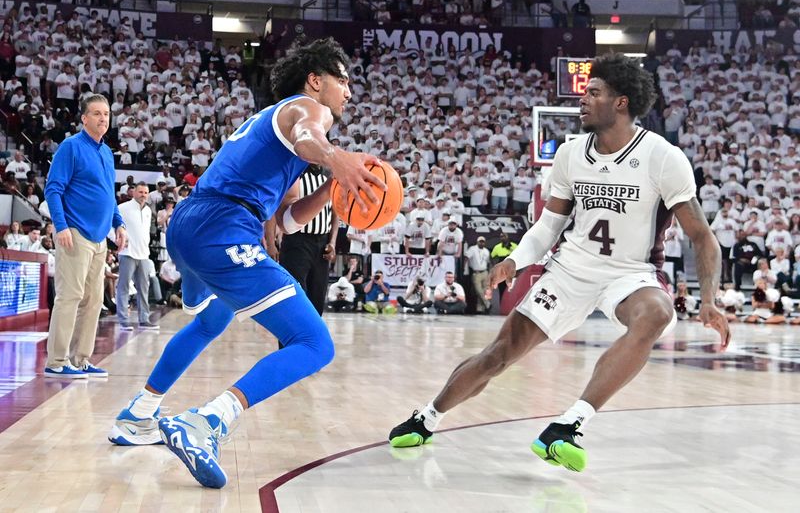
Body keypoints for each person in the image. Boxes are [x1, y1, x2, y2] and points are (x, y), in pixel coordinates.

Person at [388, 54, 730, 474]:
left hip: (630, 273)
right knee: (499, 354)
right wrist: (514, 260)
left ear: (621, 103)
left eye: (594, 92)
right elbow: (548, 227)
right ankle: (428, 417)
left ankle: (568, 426)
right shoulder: (571, 153)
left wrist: (709, 299)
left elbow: (702, 236)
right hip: (570, 269)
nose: (582, 100)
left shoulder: (662, 157)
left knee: (657, 314)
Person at [108, 39, 385, 490]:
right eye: (343, 80)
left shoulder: (277, 132)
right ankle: (205, 422)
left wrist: (332, 184)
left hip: (190, 226)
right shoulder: (306, 110)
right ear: (315, 81)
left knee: (209, 322)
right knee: (315, 344)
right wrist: (337, 157)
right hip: (223, 228)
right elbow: (311, 137)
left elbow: (291, 221)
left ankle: (138, 413)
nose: (349, 91)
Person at [44, 94, 128, 379]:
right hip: (75, 232)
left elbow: (109, 195)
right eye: (96, 113)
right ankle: (56, 361)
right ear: (84, 118)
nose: (103, 118)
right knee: (70, 296)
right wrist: (61, 225)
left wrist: (119, 224)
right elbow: (53, 189)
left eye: (106, 113)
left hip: (100, 237)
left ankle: (80, 359)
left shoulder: (106, 152)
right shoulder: (71, 147)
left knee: (93, 299)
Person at [270, 164, 339, 314]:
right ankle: (289, 338)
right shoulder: (294, 173)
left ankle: (312, 337)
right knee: (294, 298)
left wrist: (332, 242)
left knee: (317, 299)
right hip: (296, 242)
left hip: (322, 245)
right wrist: (270, 244)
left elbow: (335, 213)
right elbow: (274, 208)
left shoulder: (328, 176)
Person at [116, 182, 159, 330]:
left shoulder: (147, 210)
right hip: (127, 253)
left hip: (143, 254)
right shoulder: (123, 208)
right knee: (124, 288)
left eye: (146, 193)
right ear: (134, 193)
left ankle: (144, 319)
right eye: (140, 192)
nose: (143, 195)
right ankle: (123, 320)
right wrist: (117, 240)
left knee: (144, 288)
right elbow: (110, 224)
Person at [465, 236, 491, 313]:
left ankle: (480, 309)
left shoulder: (486, 251)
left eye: (483, 241)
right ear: (477, 242)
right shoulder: (472, 249)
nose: (481, 243)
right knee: (478, 290)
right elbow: (466, 257)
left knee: (483, 290)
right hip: (476, 272)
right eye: (480, 241)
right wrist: (465, 268)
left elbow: (488, 262)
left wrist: (489, 272)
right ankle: (487, 303)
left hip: (484, 272)